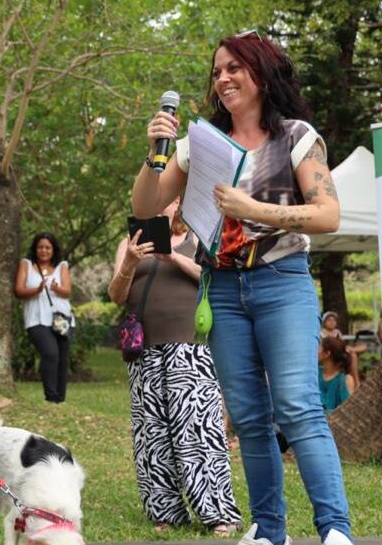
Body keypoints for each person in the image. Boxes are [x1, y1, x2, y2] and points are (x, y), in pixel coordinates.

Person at [132, 32, 352, 545]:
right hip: (223, 291)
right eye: (217, 71)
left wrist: (254, 210)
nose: (223, 78)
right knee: (250, 416)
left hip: (282, 282)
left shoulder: (295, 136)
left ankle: (335, 530)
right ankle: (269, 529)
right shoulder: (201, 142)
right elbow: (145, 210)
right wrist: (154, 154)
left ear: (262, 71)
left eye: (234, 68)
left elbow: (329, 214)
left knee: (297, 405)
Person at [108, 198, 242, 536]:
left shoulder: (197, 236)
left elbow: (215, 279)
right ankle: (164, 510)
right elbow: (116, 294)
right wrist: (129, 263)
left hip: (190, 346)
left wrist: (172, 258)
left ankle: (218, 512)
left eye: (165, 199)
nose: (158, 204)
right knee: (151, 432)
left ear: (179, 202)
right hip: (144, 350)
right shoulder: (129, 243)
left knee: (197, 428)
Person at [14, 232, 73, 403]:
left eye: (48, 247)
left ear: (53, 250)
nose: (44, 251)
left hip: (61, 318)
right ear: (35, 248)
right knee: (50, 353)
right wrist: (37, 290)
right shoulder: (26, 265)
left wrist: (56, 288)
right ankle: (51, 395)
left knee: (62, 357)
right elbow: (19, 291)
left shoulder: (62, 266)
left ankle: (60, 399)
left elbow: (68, 291)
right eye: (40, 247)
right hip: (36, 319)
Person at [319, 336, 356, 412]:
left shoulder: (346, 380)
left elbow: (349, 411)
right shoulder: (314, 373)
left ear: (327, 354)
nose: (315, 350)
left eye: (319, 347)